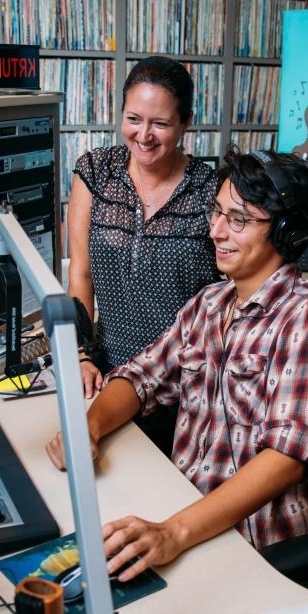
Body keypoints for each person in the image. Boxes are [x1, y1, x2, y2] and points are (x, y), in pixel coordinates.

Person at [45, 149, 308, 583]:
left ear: (289, 233)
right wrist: (88, 427)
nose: (216, 231)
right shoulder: (210, 303)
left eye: (239, 220)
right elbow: (141, 376)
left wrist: (172, 533)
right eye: (217, 212)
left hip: (255, 546)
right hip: (186, 513)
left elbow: (284, 459)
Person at [67, 55, 220, 400]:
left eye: (161, 124)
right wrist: (79, 355)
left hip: (183, 384)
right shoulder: (94, 172)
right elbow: (81, 274)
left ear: (186, 123)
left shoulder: (212, 189)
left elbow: (250, 278)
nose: (144, 136)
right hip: (107, 376)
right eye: (133, 119)